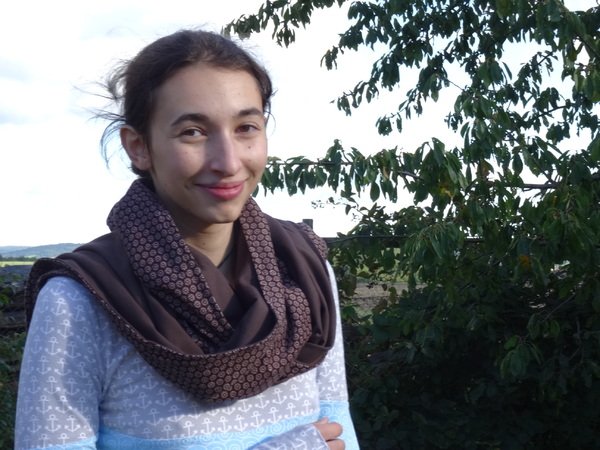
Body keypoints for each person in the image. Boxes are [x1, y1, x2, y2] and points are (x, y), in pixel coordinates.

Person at [14, 29, 359, 449]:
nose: (228, 162)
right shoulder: (79, 300)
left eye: (246, 127)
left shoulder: (306, 272)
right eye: (193, 132)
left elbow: (339, 432)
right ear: (139, 147)